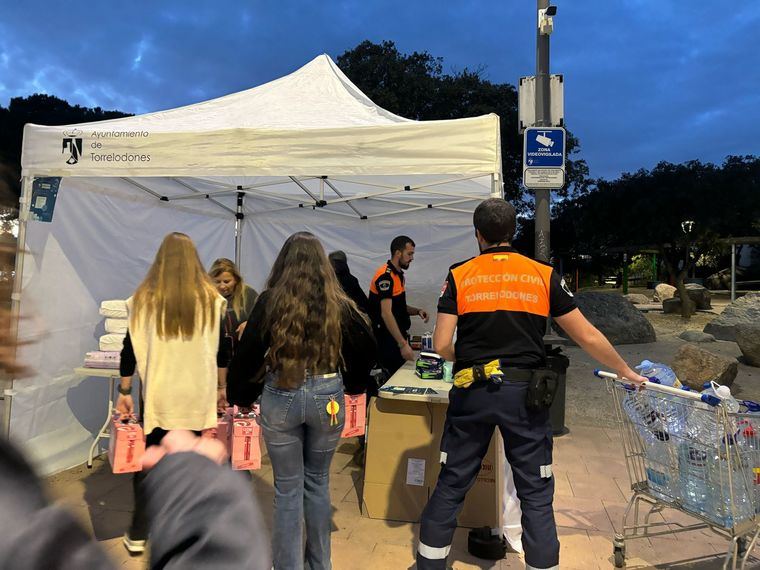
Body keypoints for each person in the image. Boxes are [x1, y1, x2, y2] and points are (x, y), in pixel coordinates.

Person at [416, 198, 647, 570]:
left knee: (452, 483)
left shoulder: (459, 274)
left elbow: (442, 345)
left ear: (478, 234)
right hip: (525, 396)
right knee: (535, 492)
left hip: (473, 390)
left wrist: (471, 359)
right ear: (513, 231)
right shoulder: (541, 274)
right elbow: (586, 335)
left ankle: (430, 564)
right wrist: (626, 371)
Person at [228, 232, 375, 570]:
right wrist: (353, 385)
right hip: (328, 397)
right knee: (318, 484)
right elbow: (367, 345)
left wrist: (243, 397)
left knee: (288, 490)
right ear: (323, 266)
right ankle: (320, 564)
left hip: (282, 394)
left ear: (284, 263)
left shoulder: (270, 301)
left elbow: (248, 354)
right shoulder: (338, 302)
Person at [116, 232, 232, 554]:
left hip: (158, 396)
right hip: (196, 395)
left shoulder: (140, 301)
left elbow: (128, 351)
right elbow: (222, 352)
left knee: (150, 460)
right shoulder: (213, 302)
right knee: (192, 461)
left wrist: (124, 389)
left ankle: (140, 531)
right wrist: (221, 388)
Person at [367, 235, 429, 377]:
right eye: (410, 254)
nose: (412, 258)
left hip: (397, 337)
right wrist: (402, 344)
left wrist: (417, 311)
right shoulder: (385, 276)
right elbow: (386, 313)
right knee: (394, 379)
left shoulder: (399, 275)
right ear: (398, 253)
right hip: (387, 340)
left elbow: (398, 306)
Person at [209, 257, 259, 347]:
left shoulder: (249, 294)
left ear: (236, 280)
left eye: (226, 281)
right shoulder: (204, 298)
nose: (222, 286)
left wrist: (250, 324)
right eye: (217, 282)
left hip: (244, 351)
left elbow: (264, 321)